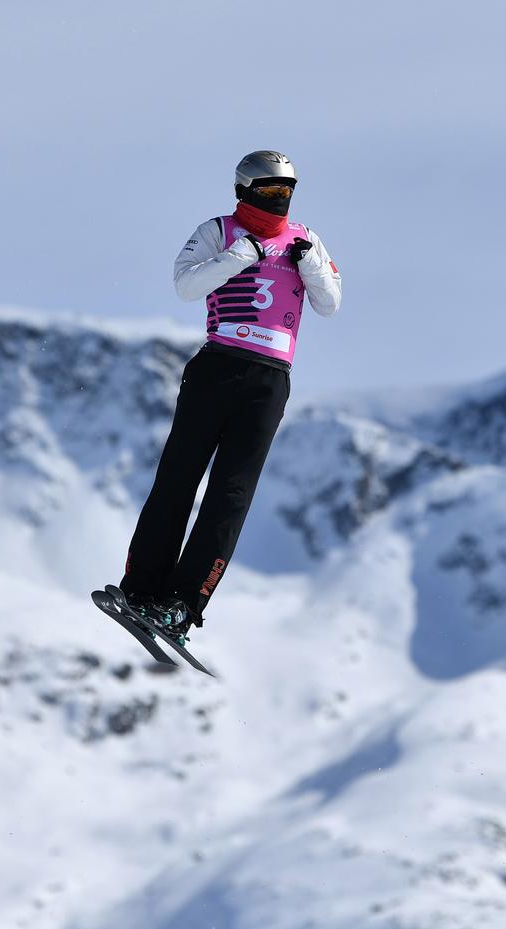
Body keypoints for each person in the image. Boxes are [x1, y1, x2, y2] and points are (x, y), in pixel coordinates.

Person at [115, 149, 342, 645]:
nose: (279, 200)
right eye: (269, 191)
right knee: (178, 479)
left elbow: (329, 303)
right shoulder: (218, 231)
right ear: (244, 191)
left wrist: (311, 266)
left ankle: (181, 607)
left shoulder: (306, 238)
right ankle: (141, 589)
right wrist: (241, 255)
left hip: (270, 379)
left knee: (230, 496)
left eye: (287, 191)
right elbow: (185, 286)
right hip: (217, 366)